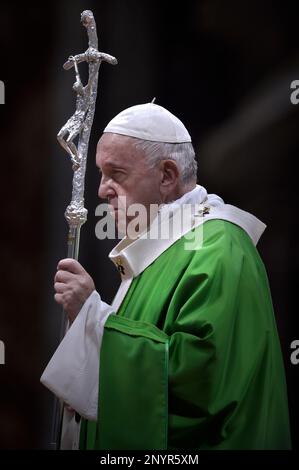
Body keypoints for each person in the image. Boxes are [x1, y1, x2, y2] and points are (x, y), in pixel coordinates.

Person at [41, 102, 291, 450]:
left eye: (116, 173)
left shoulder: (217, 250)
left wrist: (92, 320)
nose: (101, 190)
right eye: (100, 173)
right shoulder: (162, 249)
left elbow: (200, 385)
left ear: (167, 176)